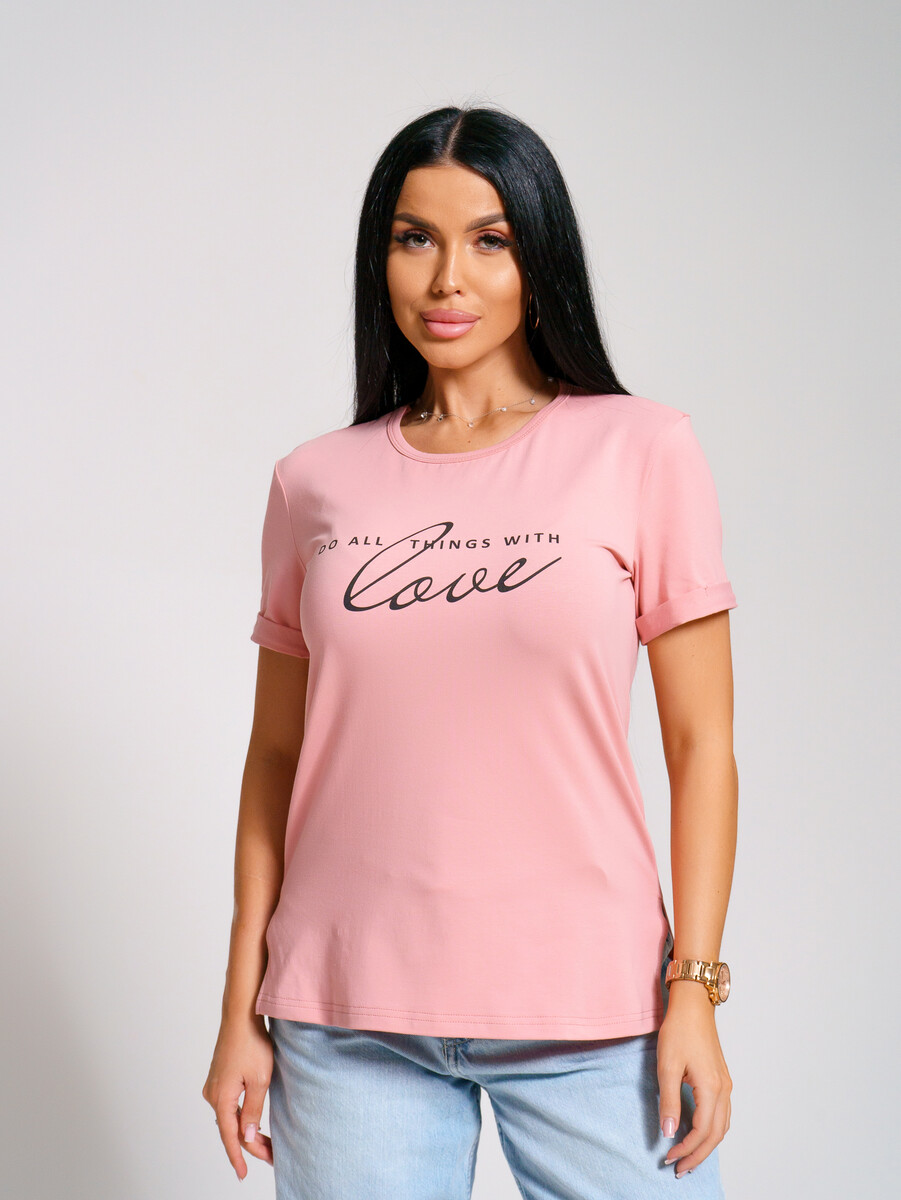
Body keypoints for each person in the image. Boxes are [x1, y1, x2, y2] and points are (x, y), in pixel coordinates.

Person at [202, 104, 737, 1199]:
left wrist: (693, 988)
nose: (448, 278)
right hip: (345, 1019)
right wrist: (239, 1007)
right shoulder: (313, 482)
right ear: (380, 258)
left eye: (489, 240)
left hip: (595, 1012)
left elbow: (701, 747)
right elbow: (274, 758)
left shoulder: (640, 449)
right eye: (415, 239)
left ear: (538, 260)